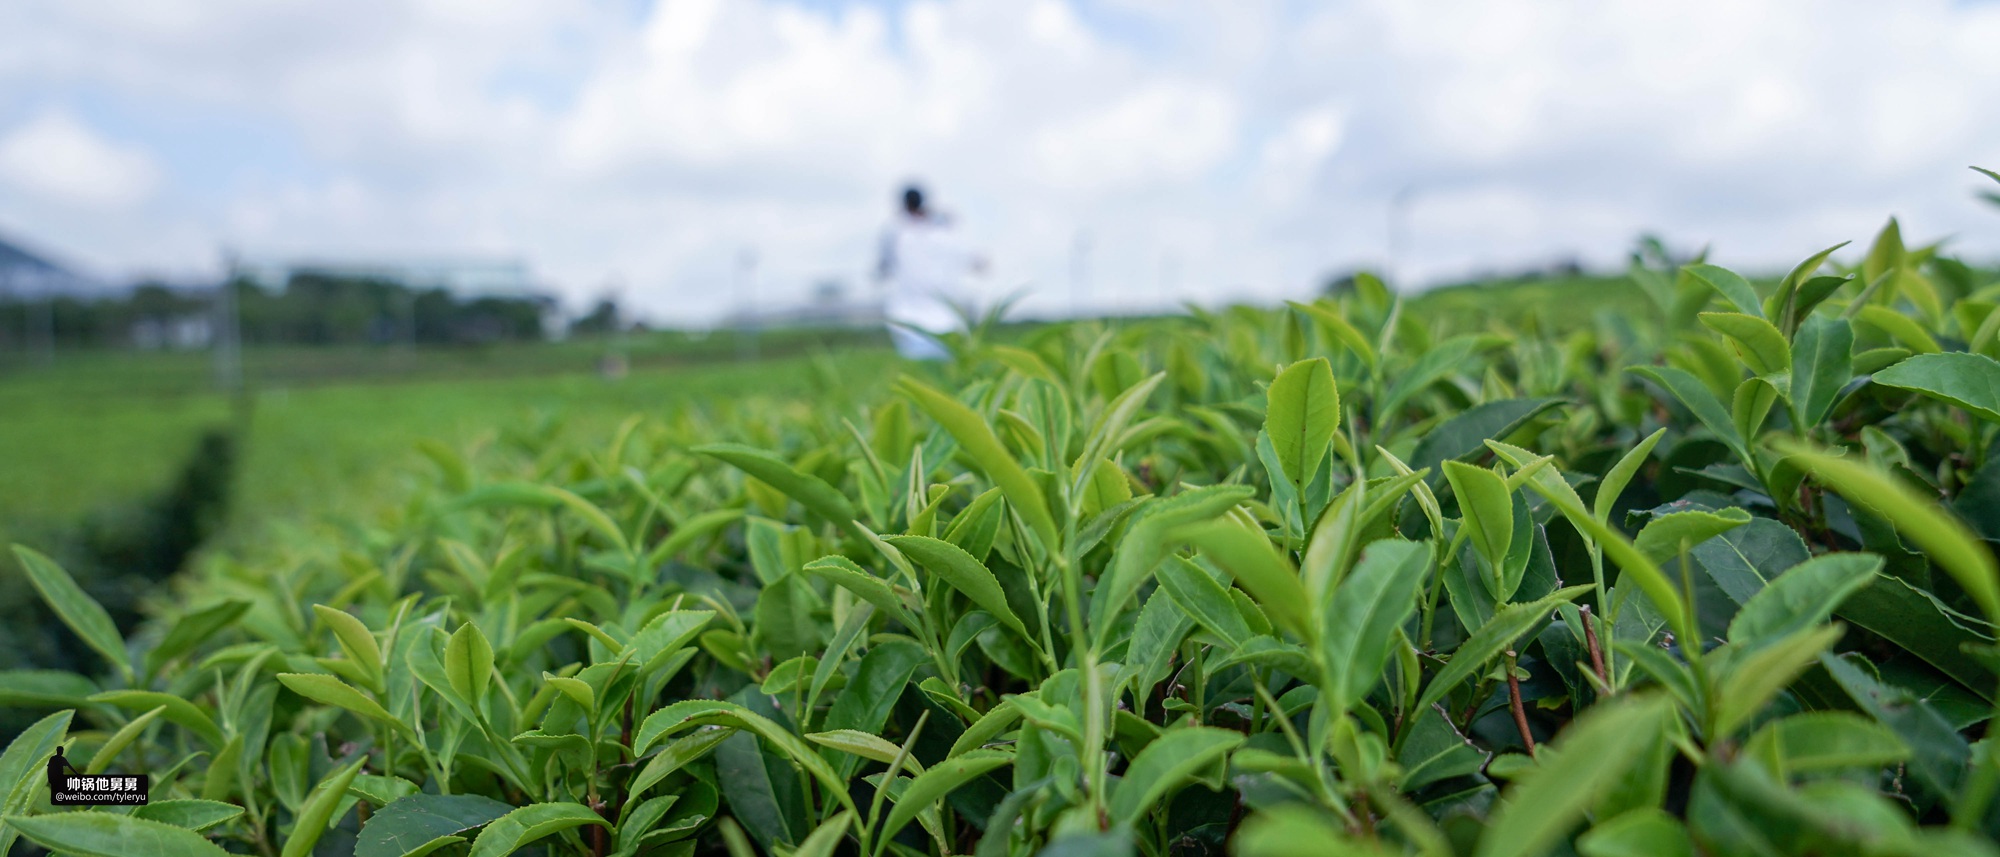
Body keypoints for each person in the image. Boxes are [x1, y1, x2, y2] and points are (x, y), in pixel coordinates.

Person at [876, 184, 985, 360]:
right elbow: (974, 260)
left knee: (919, 366)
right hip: (944, 312)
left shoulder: (896, 230)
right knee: (946, 364)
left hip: (913, 312)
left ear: (904, 205)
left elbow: (883, 266)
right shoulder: (942, 229)